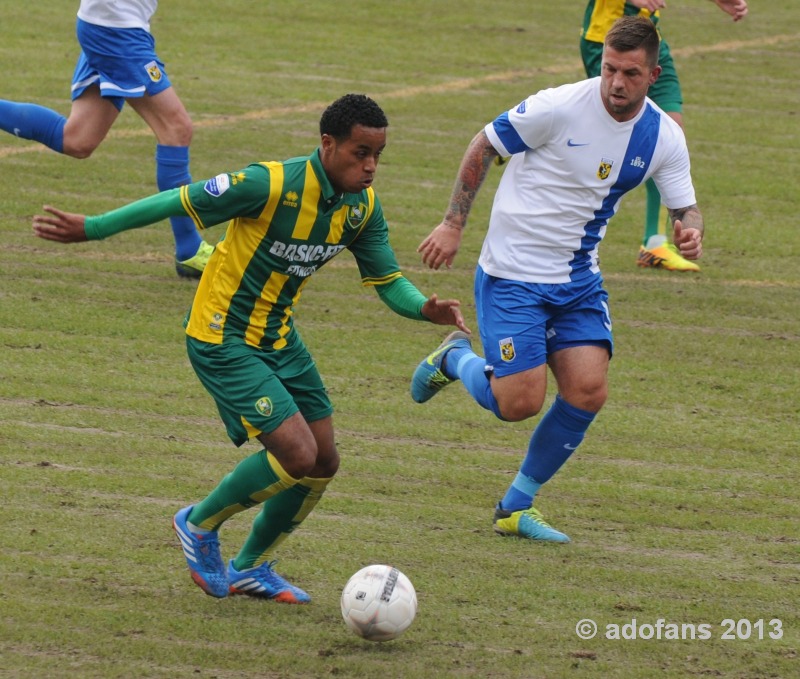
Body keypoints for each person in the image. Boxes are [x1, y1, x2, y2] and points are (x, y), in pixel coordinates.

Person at [32, 93, 469, 602]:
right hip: (222, 336)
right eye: (360, 153)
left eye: (378, 155)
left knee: (324, 461)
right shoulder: (270, 184)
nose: (371, 166)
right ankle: (198, 524)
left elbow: (387, 280)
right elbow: (181, 200)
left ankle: (250, 567)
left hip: (279, 337)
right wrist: (94, 227)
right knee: (297, 452)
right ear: (328, 145)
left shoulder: (360, 209)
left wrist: (422, 309)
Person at [410, 17, 703, 543]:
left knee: (588, 391)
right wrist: (453, 223)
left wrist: (691, 232)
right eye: (610, 68)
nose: (616, 82)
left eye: (630, 73)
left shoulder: (664, 136)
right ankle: (454, 357)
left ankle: (515, 507)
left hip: (577, 280)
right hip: (513, 275)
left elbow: (686, 205)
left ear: (653, 74)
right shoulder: (559, 106)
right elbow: (484, 145)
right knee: (518, 403)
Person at [1, 1, 213, 279]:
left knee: (78, 139)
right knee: (176, 129)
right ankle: (190, 250)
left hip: (111, 24)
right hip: (116, 28)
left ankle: (189, 250)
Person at [580, 0, 746, 272]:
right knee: (603, 134)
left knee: (670, 131)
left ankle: (655, 243)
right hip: (608, 41)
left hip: (650, 39)